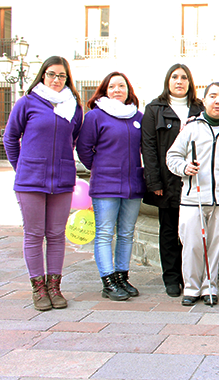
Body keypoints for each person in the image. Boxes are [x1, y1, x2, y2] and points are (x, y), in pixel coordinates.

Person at [3, 56, 83, 311]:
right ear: (43, 75)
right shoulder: (27, 103)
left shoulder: (74, 107)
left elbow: (74, 140)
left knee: (56, 235)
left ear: (67, 78)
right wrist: (22, 167)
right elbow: (10, 137)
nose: (56, 80)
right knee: (34, 234)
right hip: (30, 181)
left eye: (62, 76)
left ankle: (55, 286)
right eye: (51, 74)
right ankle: (38, 288)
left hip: (61, 179)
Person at [166, 82, 219, 306]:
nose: (218, 101)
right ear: (205, 100)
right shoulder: (191, 128)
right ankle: (191, 288)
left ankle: (210, 287)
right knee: (192, 245)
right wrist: (184, 168)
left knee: (215, 245)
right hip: (193, 198)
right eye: (213, 96)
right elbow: (173, 156)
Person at [77, 72, 146, 301]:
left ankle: (121, 277)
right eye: (113, 86)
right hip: (106, 185)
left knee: (126, 233)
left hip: (132, 184)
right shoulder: (96, 116)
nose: (117, 90)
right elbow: (84, 149)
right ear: (105, 90)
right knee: (105, 233)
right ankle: (108, 281)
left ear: (129, 90)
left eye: (122, 86)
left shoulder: (138, 116)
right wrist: (100, 167)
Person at [141, 64, 203, 297]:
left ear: (190, 82)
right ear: (168, 81)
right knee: (168, 230)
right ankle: (171, 278)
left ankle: (191, 276)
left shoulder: (199, 108)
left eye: (184, 77)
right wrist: (154, 182)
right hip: (166, 181)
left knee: (192, 231)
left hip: (194, 179)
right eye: (175, 77)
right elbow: (148, 147)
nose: (179, 81)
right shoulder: (154, 109)